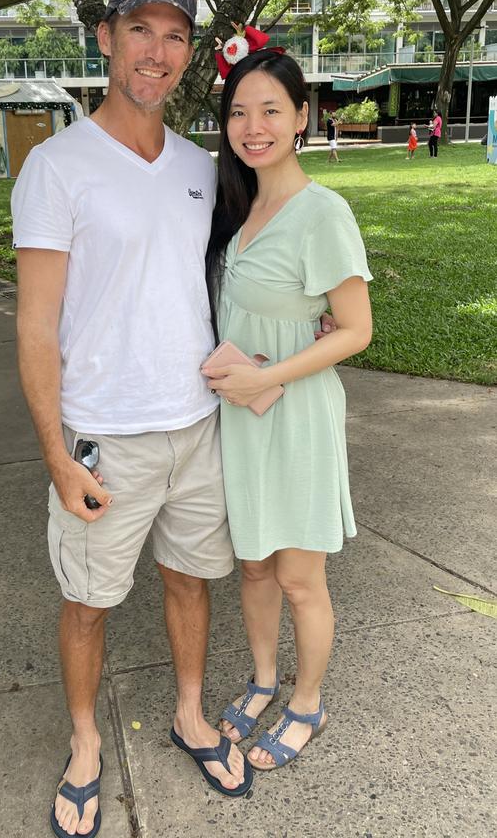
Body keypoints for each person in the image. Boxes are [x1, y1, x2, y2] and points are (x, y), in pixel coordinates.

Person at [11, 0, 258, 838]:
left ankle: (191, 714)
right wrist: (53, 454)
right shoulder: (56, 167)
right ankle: (85, 742)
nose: (158, 51)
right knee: (89, 601)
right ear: (107, 38)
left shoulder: (202, 167)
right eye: (141, 30)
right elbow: (37, 327)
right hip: (104, 439)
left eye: (176, 35)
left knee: (191, 583)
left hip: (196, 426)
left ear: (190, 52)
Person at [202, 44, 372, 774]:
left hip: (296, 420)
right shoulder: (234, 206)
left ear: (302, 117)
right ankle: (264, 680)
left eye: (271, 109)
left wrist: (273, 374)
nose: (254, 126)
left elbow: (358, 329)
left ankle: (308, 702)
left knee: (301, 577)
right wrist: (239, 386)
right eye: (240, 112)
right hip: (241, 420)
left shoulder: (322, 212)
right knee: (254, 569)